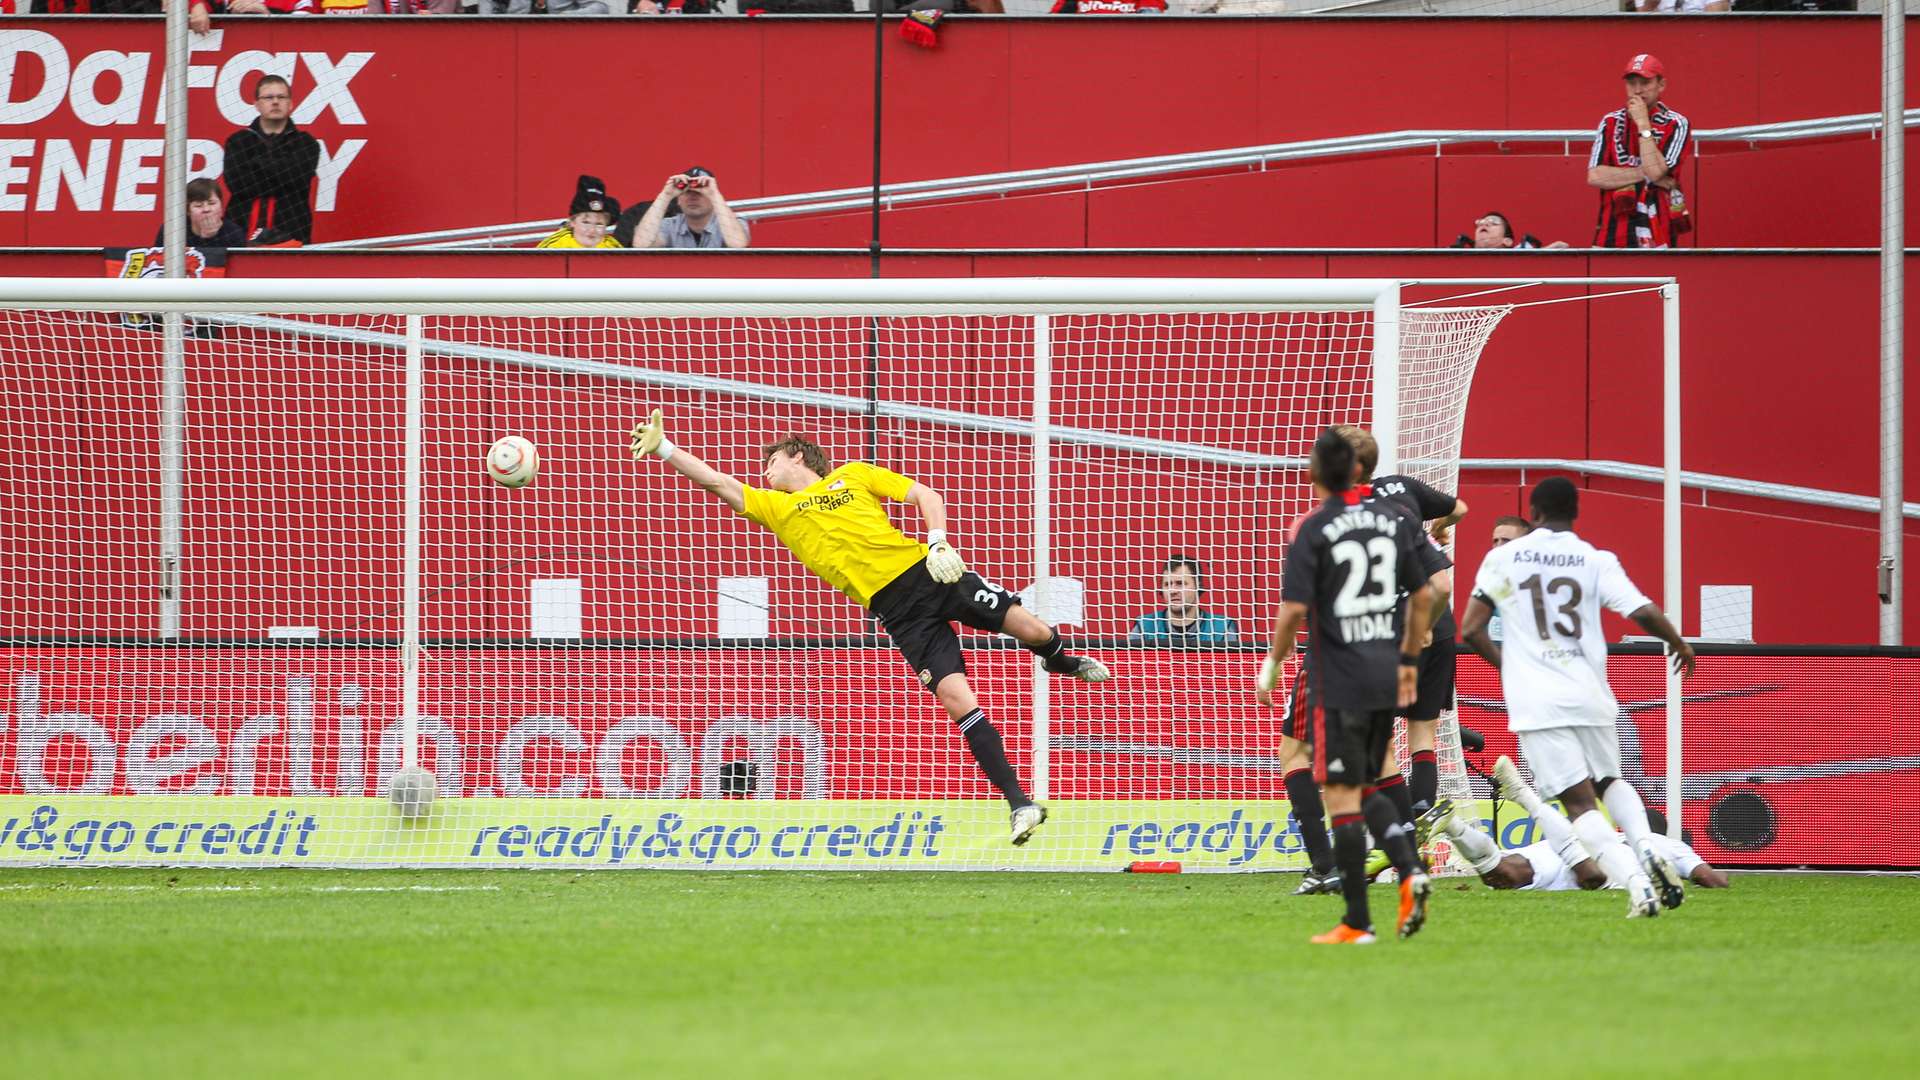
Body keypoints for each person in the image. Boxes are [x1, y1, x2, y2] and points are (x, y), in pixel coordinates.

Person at [628, 411, 1110, 846]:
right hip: (899, 613)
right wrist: (666, 449)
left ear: (797, 455)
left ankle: (1060, 659)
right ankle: (1020, 803)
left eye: (771, 460)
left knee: (1031, 630)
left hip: (929, 573)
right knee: (958, 701)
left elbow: (924, 493)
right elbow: (718, 483)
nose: (765, 471)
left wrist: (939, 543)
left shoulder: (852, 476)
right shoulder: (776, 508)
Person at [1459, 477, 1698, 918]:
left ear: (1533, 512)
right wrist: (1678, 643)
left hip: (1539, 701)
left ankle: (1637, 881)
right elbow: (1640, 609)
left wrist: (1511, 668)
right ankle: (1649, 847)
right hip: (1591, 691)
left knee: (1580, 805)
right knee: (1612, 782)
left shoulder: (1504, 558)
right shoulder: (1594, 558)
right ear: (1576, 513)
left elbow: (1471, 629)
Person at [1256, 428, 1440, 944]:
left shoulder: (1313, 527)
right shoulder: (1393, 520)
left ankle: (1356, 918)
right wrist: (1407, 659)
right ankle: (1410, 870)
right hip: (1386, 665)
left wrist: (1271, 665)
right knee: (1369, 774)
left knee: (1338, 787)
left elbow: (1294, 609)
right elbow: (1425, 594)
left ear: (1316, 474)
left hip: (1337, 671)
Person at [1335, 426, 1465, 820]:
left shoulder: (1349, 518)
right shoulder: (1399, 488)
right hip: (1439, 628)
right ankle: (1422, 811)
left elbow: (1438, 584)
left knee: (1376, 736)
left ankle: (1396, 829)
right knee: (1423, 729)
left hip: (1395, 632)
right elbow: (1459, 508)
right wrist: (1439, 529)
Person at [1436, 756, 1730, 892]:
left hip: (1560, 845)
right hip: (1591, 866)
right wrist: (1699, 880)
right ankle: (1525, 798)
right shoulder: (1670, 847)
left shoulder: (1610, 832)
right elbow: (1710, 878)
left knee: (1500, 872)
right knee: (1590, 877)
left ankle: (1455, 826)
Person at [1587, 53, 1692, 249]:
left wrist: (1643, 123)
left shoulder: (1676, 123)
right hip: (1612, 232)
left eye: (1644, 82)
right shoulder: (1610, 121)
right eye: (1631, 83)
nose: (1637, 90)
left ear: (1661, 85)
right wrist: (1649, 175)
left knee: (1660, 280)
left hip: (1659, 229)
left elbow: (1655, 171)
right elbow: (1595, 176)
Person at [221, 74, 321, 245]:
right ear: (257, 104)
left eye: (281, 97)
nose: (275, 102)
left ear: (290, 104)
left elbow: (296, 179)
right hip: (241, 231)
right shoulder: (238, 141)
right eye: (268, 97)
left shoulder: (306, 143)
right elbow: (237, 184)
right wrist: (281, 170)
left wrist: (256, 165)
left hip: (292, 232)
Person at [625, 167, 751, 250]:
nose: (693, 198)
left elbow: (737, 244)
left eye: (700, 193)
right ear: (678, 200)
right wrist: (665, 195)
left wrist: (715, 194)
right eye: (687, 192)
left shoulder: (732, 223)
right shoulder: (669, 225)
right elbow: (641, 244)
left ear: (713, 199)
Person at [1128, 555, 1240, 645]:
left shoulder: (1222, 628)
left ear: (1198, 586)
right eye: (1167, 584)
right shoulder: (1145, 627)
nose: (1173, 591)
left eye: (1180, 583)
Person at [153, 178, 247, 249]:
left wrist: (209, 239)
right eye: (198, 205)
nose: (206, 209)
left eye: (212, 203)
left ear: (221, 205)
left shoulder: (234, 232)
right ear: (187, 210)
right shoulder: (171, 229)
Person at [536, 175, 623, 250]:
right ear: (572, 222)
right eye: (585, 222)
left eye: (599, 224)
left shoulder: (614, 249)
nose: (592, 230)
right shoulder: (554, 248)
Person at [1450, 211, 1569, 251]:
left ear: (1507, 241)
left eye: (1493, 223)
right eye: (1481, 223)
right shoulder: (1457, 254)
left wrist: (1550, 250)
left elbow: (1533, 259)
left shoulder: (1520, 252)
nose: (1485, 224)